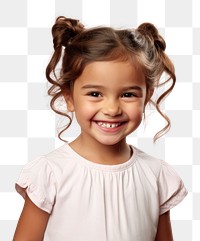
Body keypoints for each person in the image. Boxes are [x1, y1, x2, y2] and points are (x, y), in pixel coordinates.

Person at [13, 16, 188, 241]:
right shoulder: (50, 174)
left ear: (146, 98)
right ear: (69, 97)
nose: (112, 109)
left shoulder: (157, 175)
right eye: (95, 94)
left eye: (128, 94)